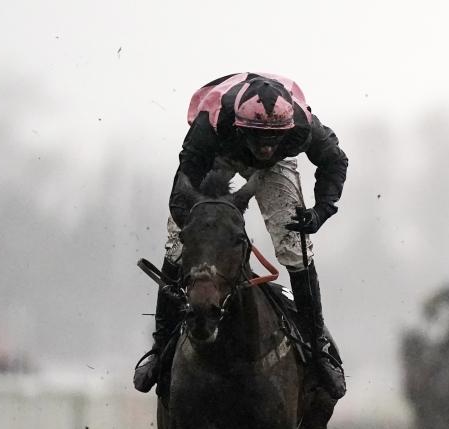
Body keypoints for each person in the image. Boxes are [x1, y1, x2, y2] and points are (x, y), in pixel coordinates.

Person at [133, 72, 348, 399]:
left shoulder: (303, 127)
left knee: (296, 246)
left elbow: (335, 161)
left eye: (274, 138)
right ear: (241, 126)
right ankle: (161, 348)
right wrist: (200, 232)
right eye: (258, 137)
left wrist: (320, 211)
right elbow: (181, 196)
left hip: (274, 168)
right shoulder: (209, 127)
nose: (266, 147)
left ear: (287, 130)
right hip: (219, 155)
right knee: (176, 243)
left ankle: (318, 351)